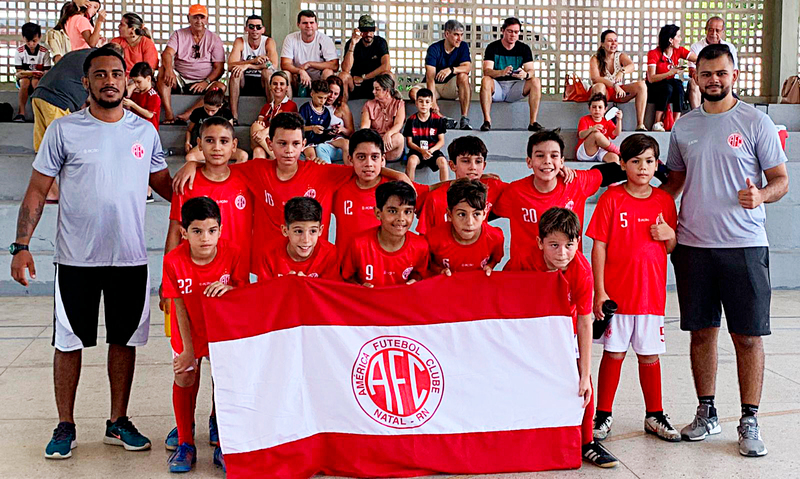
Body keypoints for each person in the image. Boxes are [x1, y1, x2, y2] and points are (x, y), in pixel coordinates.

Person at [9, 46, 173, 460]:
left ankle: (118, 421)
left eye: (116, 73)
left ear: (126, 80)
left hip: (131, 258)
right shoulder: (64, 131)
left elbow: (168, 187)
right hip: (77, 259)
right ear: (86, 83)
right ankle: (66, 425)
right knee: (68, 342)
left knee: (125, 341)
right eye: (100, 75)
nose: (110, 81)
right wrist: (22, 246)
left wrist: (203, 179)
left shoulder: (144, 132)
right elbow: (36, 190)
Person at [662, 44, 789, 457]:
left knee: (748, 338)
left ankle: (749, 418)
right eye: (706, 73)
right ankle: (707, 411)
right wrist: (636, 197)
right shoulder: (684, 126)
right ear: (695, 77)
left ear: (734, 75)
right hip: (694, 247)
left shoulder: (756, 121)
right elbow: (673, 184)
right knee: (701, 333)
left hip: (745, 246)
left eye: (721, 73)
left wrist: (762, 195)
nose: (714, 80)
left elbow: (781, 180)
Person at [173, 113, 408, 279]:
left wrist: (395, 173)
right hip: (269, 269)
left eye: (295, 144)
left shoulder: (322, 172)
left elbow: (363, 168)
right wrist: (192, 163)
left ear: (304, 144)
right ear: (269, 143)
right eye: (282, 143)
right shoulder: (255, 170)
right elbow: (220, 165)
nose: (288, 150)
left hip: (315, 268)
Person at [161, 117, 253, 455]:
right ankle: (186, 430)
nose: (217, 148)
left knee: (223, 367)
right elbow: (174, 230)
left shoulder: (245, 178)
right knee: (187, 362)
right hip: (186, 287)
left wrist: (192, 157)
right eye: (208, 141)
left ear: (233, 145)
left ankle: (218, 419)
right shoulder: (187, 182)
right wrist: (164, 283)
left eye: (223, 141)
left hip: (229, 286)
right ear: (198, 144)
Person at [505, 206, 619, 468]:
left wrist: (585, 372)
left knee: (582, 385)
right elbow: (506, 300)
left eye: (569, 245)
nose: (562, 253)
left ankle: (587, 441)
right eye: (554, 245)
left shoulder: (581, 270)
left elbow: (584, 321)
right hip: (529, 330)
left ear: (578, 243)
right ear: (540, 242)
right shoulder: (523, 260)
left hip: (565, 331)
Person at [586, 134, 681, 444]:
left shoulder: (664, 201)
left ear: (657, 165)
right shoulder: (611, 199)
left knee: (649, 355)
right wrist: (599, 291)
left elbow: (671, 246)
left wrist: (668, 235)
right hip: (617, 296)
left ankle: (654, 414)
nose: (643, 167)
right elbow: (598, 247)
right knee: (613, 354)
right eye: (636, 161)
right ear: (623, 163)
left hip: (650, 296)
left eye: (650, 161)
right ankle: (603, 414)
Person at [161, 196, 247, 472]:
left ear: (221, 230)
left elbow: (244, 294)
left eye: (211, 230)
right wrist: (188, 350)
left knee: (222, 379)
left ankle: (224, 440)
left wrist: (231, 291)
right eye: (197, 231)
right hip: (188, 330)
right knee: (186, 373)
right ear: (184, 233)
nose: (205, 238)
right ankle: (186, 442)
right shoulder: (174, 261)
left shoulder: (233, 253)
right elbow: (178, 306)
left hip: (221, 331)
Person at [493, 130, 627, 266]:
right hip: (525, 276)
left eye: (554, 156)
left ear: (562, 161)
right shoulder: (515, 192)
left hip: (567, 274)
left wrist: (646, 170)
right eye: (540, 155)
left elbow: (609, 172)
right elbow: (479, 207)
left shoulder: (575, 182)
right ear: (529, 162)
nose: (547, 161)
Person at [30, 47, 96, 202]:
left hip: (40, 95)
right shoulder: (97, 62)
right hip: (57, 100)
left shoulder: (80, 53)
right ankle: (68, 192)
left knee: (42, 147)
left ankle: (51, 192)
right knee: (65, 149)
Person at [340, 181, 429, 286]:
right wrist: (360, 288)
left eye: (407, 212)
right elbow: (346, 277)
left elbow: (419, 273)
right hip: (368, 301)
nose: (401, 218)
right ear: (378, 213)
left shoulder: (421, 246)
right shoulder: (359, 245)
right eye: (392, 211)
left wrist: (415, 281)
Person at [416, 135, 506, 235]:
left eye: (478, 161)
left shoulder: (492, 186)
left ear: (484, 165)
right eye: (465, 161)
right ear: (452, 165)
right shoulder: (435, 198)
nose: (473, 167)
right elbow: (424, 240)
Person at [158, 4, 226, 124]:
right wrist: (169, 70)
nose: (199, 21)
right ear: (188, 18)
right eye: (195, 17)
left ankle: (188, 114)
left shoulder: (214, 39)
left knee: (220, 87)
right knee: (163, 71)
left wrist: (206, 82)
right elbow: (167, 54)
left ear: (206, 19)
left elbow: (219, 68)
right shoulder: (178, 34)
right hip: (180, 79)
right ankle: (168, 114)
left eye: (202, 17)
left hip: (204, 81)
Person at [427, 178, 504, 276]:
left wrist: (489, 266)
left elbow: (495, 259)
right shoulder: (433, 238)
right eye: (462, 214)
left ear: (484, 214)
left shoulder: (495, 237)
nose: (470, 223)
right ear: (449, 215)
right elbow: (427, 262)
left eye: (476, 214)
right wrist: (439, 271)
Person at [479, 17, 542, 132]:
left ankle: (533, 122)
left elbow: (531, 71)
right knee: (485, 80)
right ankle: (487, 121)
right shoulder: (493, 47)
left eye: (516, 32)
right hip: (497, 85)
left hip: (515, 87)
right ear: (503, 31)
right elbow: (487, 71)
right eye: (510, 31)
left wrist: (525, 74)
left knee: (535, 81)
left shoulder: (524, 48)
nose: (513, 35)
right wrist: (501, 72)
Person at [410, 19, 472, 130]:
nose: (460, 39)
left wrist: (451, 70)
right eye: (456, 35)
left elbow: (467, 67)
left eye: (461, 35)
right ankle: (440, 118)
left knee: (463, 76)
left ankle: (464, 118)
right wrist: (433, 102)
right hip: (434, 86)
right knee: (413, 92)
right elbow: (430, 78)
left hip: (450, 87)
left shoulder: (463, 46)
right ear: (447, 34)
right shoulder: (434, 49)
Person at [261, 197, 340, 279]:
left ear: (320, 230)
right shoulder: (269, 254)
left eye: (313, 231)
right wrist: (284, 285)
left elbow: (330, 290)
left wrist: (306, 284)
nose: (306, 240)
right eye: (298, 231)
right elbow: (262, 291)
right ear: (285, 231)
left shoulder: (329, 254)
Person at [588, 29, 647, 131]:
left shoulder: (620, 56)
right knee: (599, 86)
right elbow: (595, 78)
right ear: (602, 44)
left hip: (619, 92)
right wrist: (614, 86)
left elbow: (632, 66)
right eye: (610, 40)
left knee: (641, 85)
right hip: (603, 92)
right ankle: (600, 123)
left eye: (615, 40)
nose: (613, 43)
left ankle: (640, 124)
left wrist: (622, 71)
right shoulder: (595, 58)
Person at [227, 14, 279, 123]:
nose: (255, 30)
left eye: (258, 27)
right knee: (236, 72)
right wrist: (252, 61)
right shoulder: (240, 41)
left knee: (267, 73)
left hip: (263, 82)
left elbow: (273, 66)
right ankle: (234, 117)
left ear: (263, 29)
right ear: (246, 28)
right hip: (244, 82)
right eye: (251, 27)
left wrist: (248, 65)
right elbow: (230, 66)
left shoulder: (268, 42)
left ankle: (273, 115)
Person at [646, 24, 697, 131]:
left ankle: (676, 122)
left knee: (678, 86)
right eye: (678, 37)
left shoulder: (678, 50)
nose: (680, 39)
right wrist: (670, 72)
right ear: (670, 39)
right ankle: (657, 122)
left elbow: (697, 59)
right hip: (655, 85)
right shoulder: (654, 53)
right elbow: (651, 78)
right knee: (667, 88)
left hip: (670, 83)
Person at [280, 10, 338, 96]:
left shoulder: (325, 39)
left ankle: (325, 106)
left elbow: (334, 65)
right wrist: (300, 71)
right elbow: (285, 64)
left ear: (316, 25)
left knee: (328, 72)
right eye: (305, 23)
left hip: (319, 78)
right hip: (298, 78)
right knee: (285, 74)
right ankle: (288, 106)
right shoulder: (290, 38)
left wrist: (310, 64)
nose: (309, 26)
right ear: (298, 24)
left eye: (311, 22)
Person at [687, 16, 739, 109]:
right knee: (692, 82)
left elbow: (733, 71)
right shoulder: (696, 47)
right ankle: (696, 114)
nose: (713, 34)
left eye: (717, 30)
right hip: (702, 86)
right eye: (710, 30)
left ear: (722, 32)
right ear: (706, 30)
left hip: (722, 85)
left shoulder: (729, 48)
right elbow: (692, 72)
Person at [185, 89, 248, 163]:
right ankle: (208, 171)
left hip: (223, 145)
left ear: (220, 106)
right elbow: (189, 130)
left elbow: (230, 133)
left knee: (243, 156)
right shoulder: (198, 112)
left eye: (213, 111)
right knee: (189, 157)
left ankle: (231, 173)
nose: (210, 113)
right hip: (206, 145)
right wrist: (187, 142)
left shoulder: (226, 113)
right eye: (207, 109)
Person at [338, 14, 391, 101]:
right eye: (365, 31)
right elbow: (345, 69)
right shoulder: (352, 43)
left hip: (375, 82)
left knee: (388, 74)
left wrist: (364, 77)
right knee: (343, 76)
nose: (368, 34)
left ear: (375, 29)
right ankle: (344, 107)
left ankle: (386, 108)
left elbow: (386, 66)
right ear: (360, 31)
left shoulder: (380, 42)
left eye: (371, 30)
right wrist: (352, 45)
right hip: (355, 83)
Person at [250, 70, 299, 158]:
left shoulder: (291, 105)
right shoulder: (266, 107)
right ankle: (274, 155)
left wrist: (264, 132)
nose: (278, 87)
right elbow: (259, 123)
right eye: (275, 84)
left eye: (282, 84)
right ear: (270, 86)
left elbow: (283, 126)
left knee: (258, 150)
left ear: (287, 87)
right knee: (255, 127)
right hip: (265, 141)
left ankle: (275, 155)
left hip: (281, 140)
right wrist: (261, 127)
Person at [404, 88, 448, 182]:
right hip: (417, 151)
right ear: (416, 103)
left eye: (427, 102)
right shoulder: (411, 121)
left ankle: (444, 190)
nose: (424, 105)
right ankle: (409, 190)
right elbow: (409, 142)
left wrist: (430, 151)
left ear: (431, 104)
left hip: (433, 150)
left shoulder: (438, 120)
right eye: (421, 101)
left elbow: (441, 141)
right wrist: (421, 151)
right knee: (411, 161)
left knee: (443, 162)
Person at [360, 74, 406, 161]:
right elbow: (365, 127)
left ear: (387, 91)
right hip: (374, 141)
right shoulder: (368, 105)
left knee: (399, 138)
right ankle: (378, 157)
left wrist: (388, 134)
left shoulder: (399, 104)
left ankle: (375, 156)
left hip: (391, 145)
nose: (373, 92)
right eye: (374, 89)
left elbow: (398, 124)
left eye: (377, 89)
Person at [14, 22, 51, 122]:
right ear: (23, 38)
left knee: (36, 82)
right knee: (24, 82)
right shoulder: (20, 51)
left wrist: (38, 74)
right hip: (23, 79)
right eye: (28, 41)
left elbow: (47, 72)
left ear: (39, 37)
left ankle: (38, 113)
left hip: (38, 80)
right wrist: (30, 73)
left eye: (34, 41)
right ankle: (21, 113)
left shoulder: (44, 52)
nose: (31, 44)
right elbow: (19, 73)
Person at [315, 75, 353, 164]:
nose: (332, 96)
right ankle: (328, 175)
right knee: (320, 148)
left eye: (336, 94)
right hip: (324, 143)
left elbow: (351, 131)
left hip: (340, 142)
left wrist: (342, 129)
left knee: (346, 143)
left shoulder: (342, 107)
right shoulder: (316, 105)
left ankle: (351, 174)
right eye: (330, 92)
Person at [576, 93, 622, 163]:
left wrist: (619, 120)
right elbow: (581, 135)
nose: (597, 110)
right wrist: (591, 129)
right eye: (594, 107)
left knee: (614, 158)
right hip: (586, 151)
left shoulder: (607, 121)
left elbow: (616, 133)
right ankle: (619, 152)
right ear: (589, 108)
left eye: (600, 107)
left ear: (605, 109)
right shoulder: (584, 119)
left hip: (601, 150)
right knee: (596, 134)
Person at [299, 79, 332, 161]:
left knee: (323, 157)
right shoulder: (305, 108)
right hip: (307, 142)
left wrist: (330, 132)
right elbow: (299, 128)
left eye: (325, 98)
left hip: (322, 143)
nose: (322, 101)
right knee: (312, 157)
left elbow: (325, 130)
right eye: (320, 97)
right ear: (312, 94)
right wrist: (312, 128)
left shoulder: (326, 112)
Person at [124, 62, 161, 131]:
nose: (136, 85)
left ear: (148, 79)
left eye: (139, 82)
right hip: (137, 128)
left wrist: (132, 104)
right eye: (134, 82)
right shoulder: (136, 93)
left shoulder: (153, 96)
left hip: (149, 130)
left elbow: (149, 114)